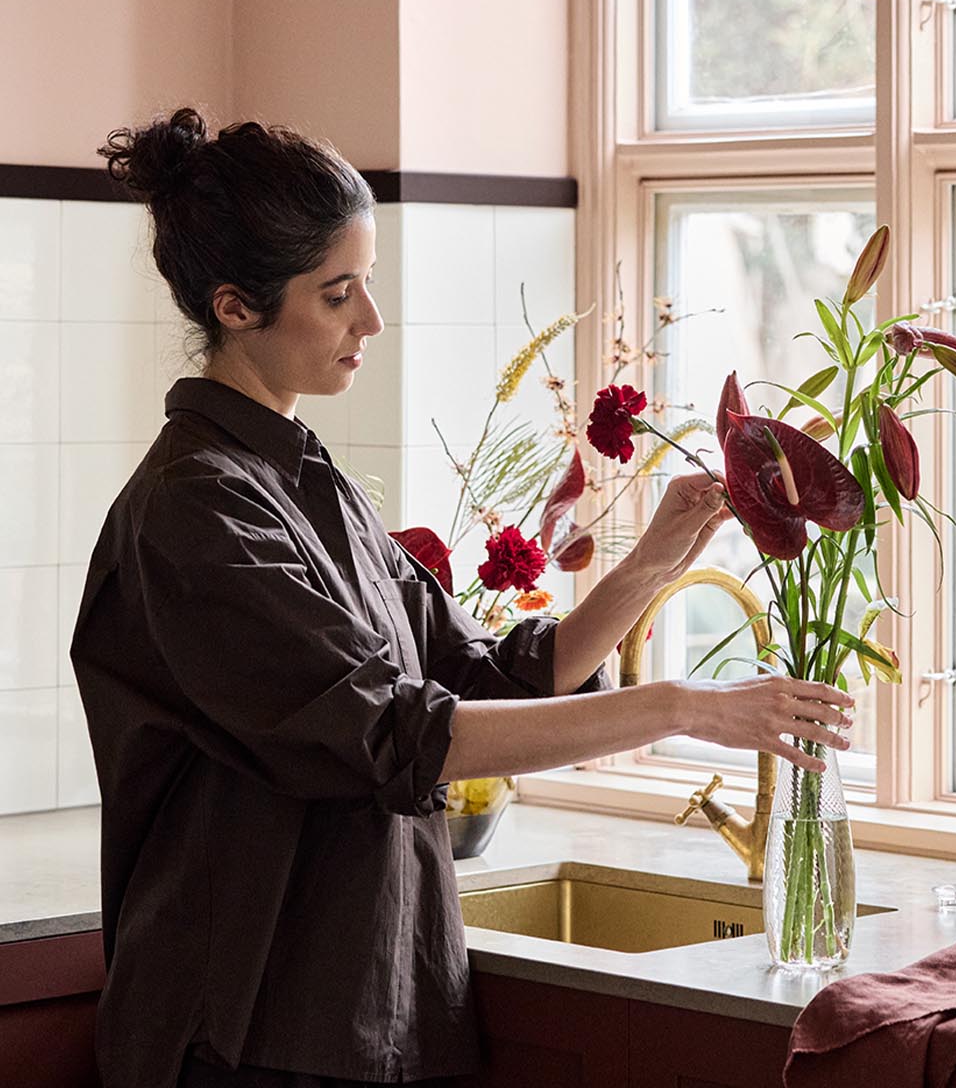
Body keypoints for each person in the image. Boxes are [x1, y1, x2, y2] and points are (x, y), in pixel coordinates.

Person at [73, 108, 854, 1088]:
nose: (372, 321)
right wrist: (681, 708)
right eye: (338, 292)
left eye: (369, 282)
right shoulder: (193, 514)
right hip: (243, 1026)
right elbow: (399, 734)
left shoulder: (307, 478)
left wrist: (659, 552)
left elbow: (489, 675)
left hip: (363, 1006)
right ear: (235, 306)